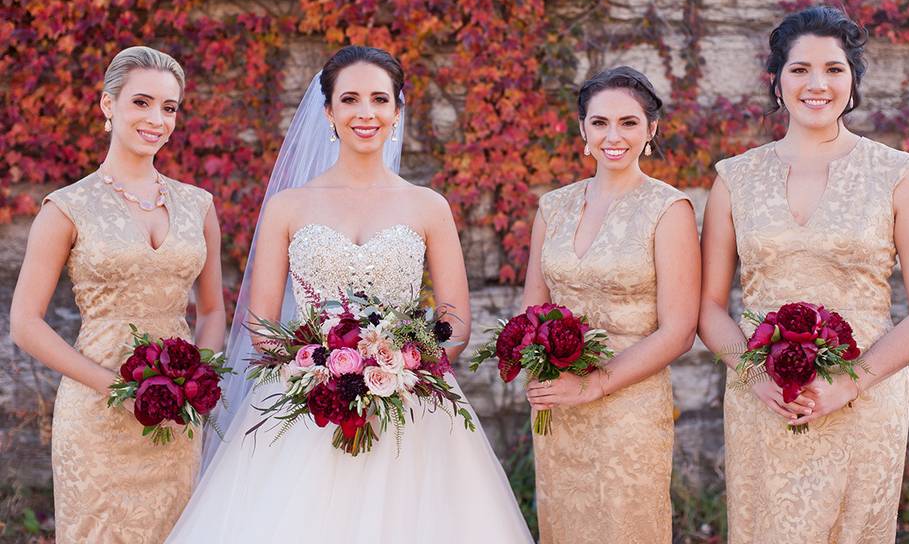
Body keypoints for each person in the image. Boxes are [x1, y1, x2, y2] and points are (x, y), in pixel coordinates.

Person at [167, 45, 532, 543]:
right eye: (351, 99)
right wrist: (316, 370)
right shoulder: (288, 207)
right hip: (305, 404)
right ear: (329, 112)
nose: (366, 113)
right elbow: (261, 326)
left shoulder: (428, 207)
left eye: (380, 100)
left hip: (411, 405)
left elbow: (456, 322)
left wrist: (404, 366)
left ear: (398, 111)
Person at [698, 6, 909, 543]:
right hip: (765, 402)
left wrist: (849, 382)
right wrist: (754, 374)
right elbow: (708, 307)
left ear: (853, 78)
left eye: (834, 69)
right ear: (777, 80)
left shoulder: (897, 175)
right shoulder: (734, 179)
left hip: (866, 400)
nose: (817, 84)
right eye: (800, 69)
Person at [9, 46, 226, 543]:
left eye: (169, 108)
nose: (157, 119)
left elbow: (213, 310)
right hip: (96, 419)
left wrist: (195, 382)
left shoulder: (198, 205)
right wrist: (119, 389)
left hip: (176, 422)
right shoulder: (67, 207)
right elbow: (25, 321)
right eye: (142, 103)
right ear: (108, 105)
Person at [522, 66, 700, 543]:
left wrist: (595, 384)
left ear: (651, 130)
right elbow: (531, 312)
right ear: (582, 129)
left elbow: (679, 330)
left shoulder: (669, 209)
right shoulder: (553, 207)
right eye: (599, 122)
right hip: (558, 403)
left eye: (628, 122)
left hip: (629, 408)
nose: (613, 136)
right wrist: (538, 373)